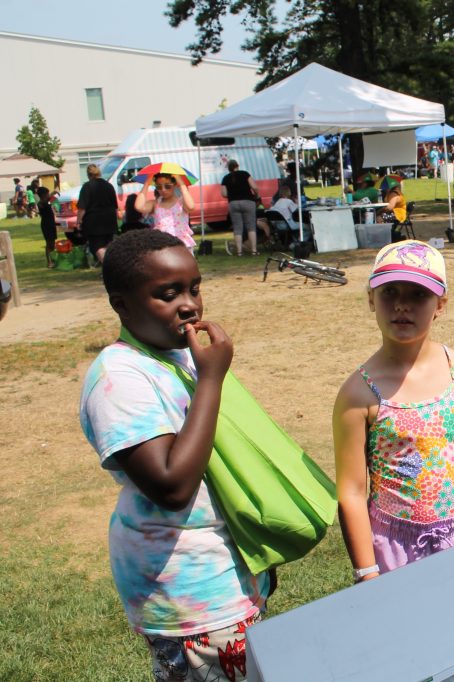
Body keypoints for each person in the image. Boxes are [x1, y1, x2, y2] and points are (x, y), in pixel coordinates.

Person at [79, 229, 270, 681]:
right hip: (190, 594)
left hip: (224, 572)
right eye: (168, 294)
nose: (190, 304)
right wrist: (210, 381)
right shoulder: (118, 379)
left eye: (194, 288)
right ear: (121, 304)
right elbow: (172, 486)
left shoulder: (176, 356)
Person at [334, 240, 454, 598]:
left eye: (418, 294)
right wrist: (368, 573)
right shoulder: (358, 394)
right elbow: (352, 493)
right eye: (390, 292)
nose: (402, 304)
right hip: (397, 550)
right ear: (371, 298)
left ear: (440, 305)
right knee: (409, 642)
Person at [135, 173, 196, 251]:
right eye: (159, 187)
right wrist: (146, 184)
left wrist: (182, 185)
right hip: (161, 244)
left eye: (167, 186)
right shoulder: (155, 203)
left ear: (175, 185)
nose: (163, 190)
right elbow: (139, 207)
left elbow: (191, 207)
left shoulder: (181, 202)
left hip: (181, 244)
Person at [77, 164, 119, 264]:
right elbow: (115, 206)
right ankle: (111, 265)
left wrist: (79, 221)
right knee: (108, 244)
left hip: (94, 222)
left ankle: (107, 266)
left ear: (88, 175)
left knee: (96, 246)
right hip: (110, 219)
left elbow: (82, 208)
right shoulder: (109, 186)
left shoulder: (87, 186)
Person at [221, 159, 260, 257]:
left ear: (228, 168)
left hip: (233, 203)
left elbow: (224, 194)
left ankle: (239, 252)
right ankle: (254, 251)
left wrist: (233, 194)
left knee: (237, 228)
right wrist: (256, 194)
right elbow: (254, 187)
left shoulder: (225, 178)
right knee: (251, 226)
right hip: (248, 201)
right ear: (237, 166)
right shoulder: (245, 174)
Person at [36, 186, 57, 268]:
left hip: (51, 224)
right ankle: (49, 262)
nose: (49, 195)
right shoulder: (40, 203)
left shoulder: (46, 202)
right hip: (46, 225)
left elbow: (52, 202)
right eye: (47, 193)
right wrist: (52, 194)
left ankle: (53, 260)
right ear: (44, 194)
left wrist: (53, 196)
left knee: (53, 244)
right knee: (49, 244)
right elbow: (45, 203)